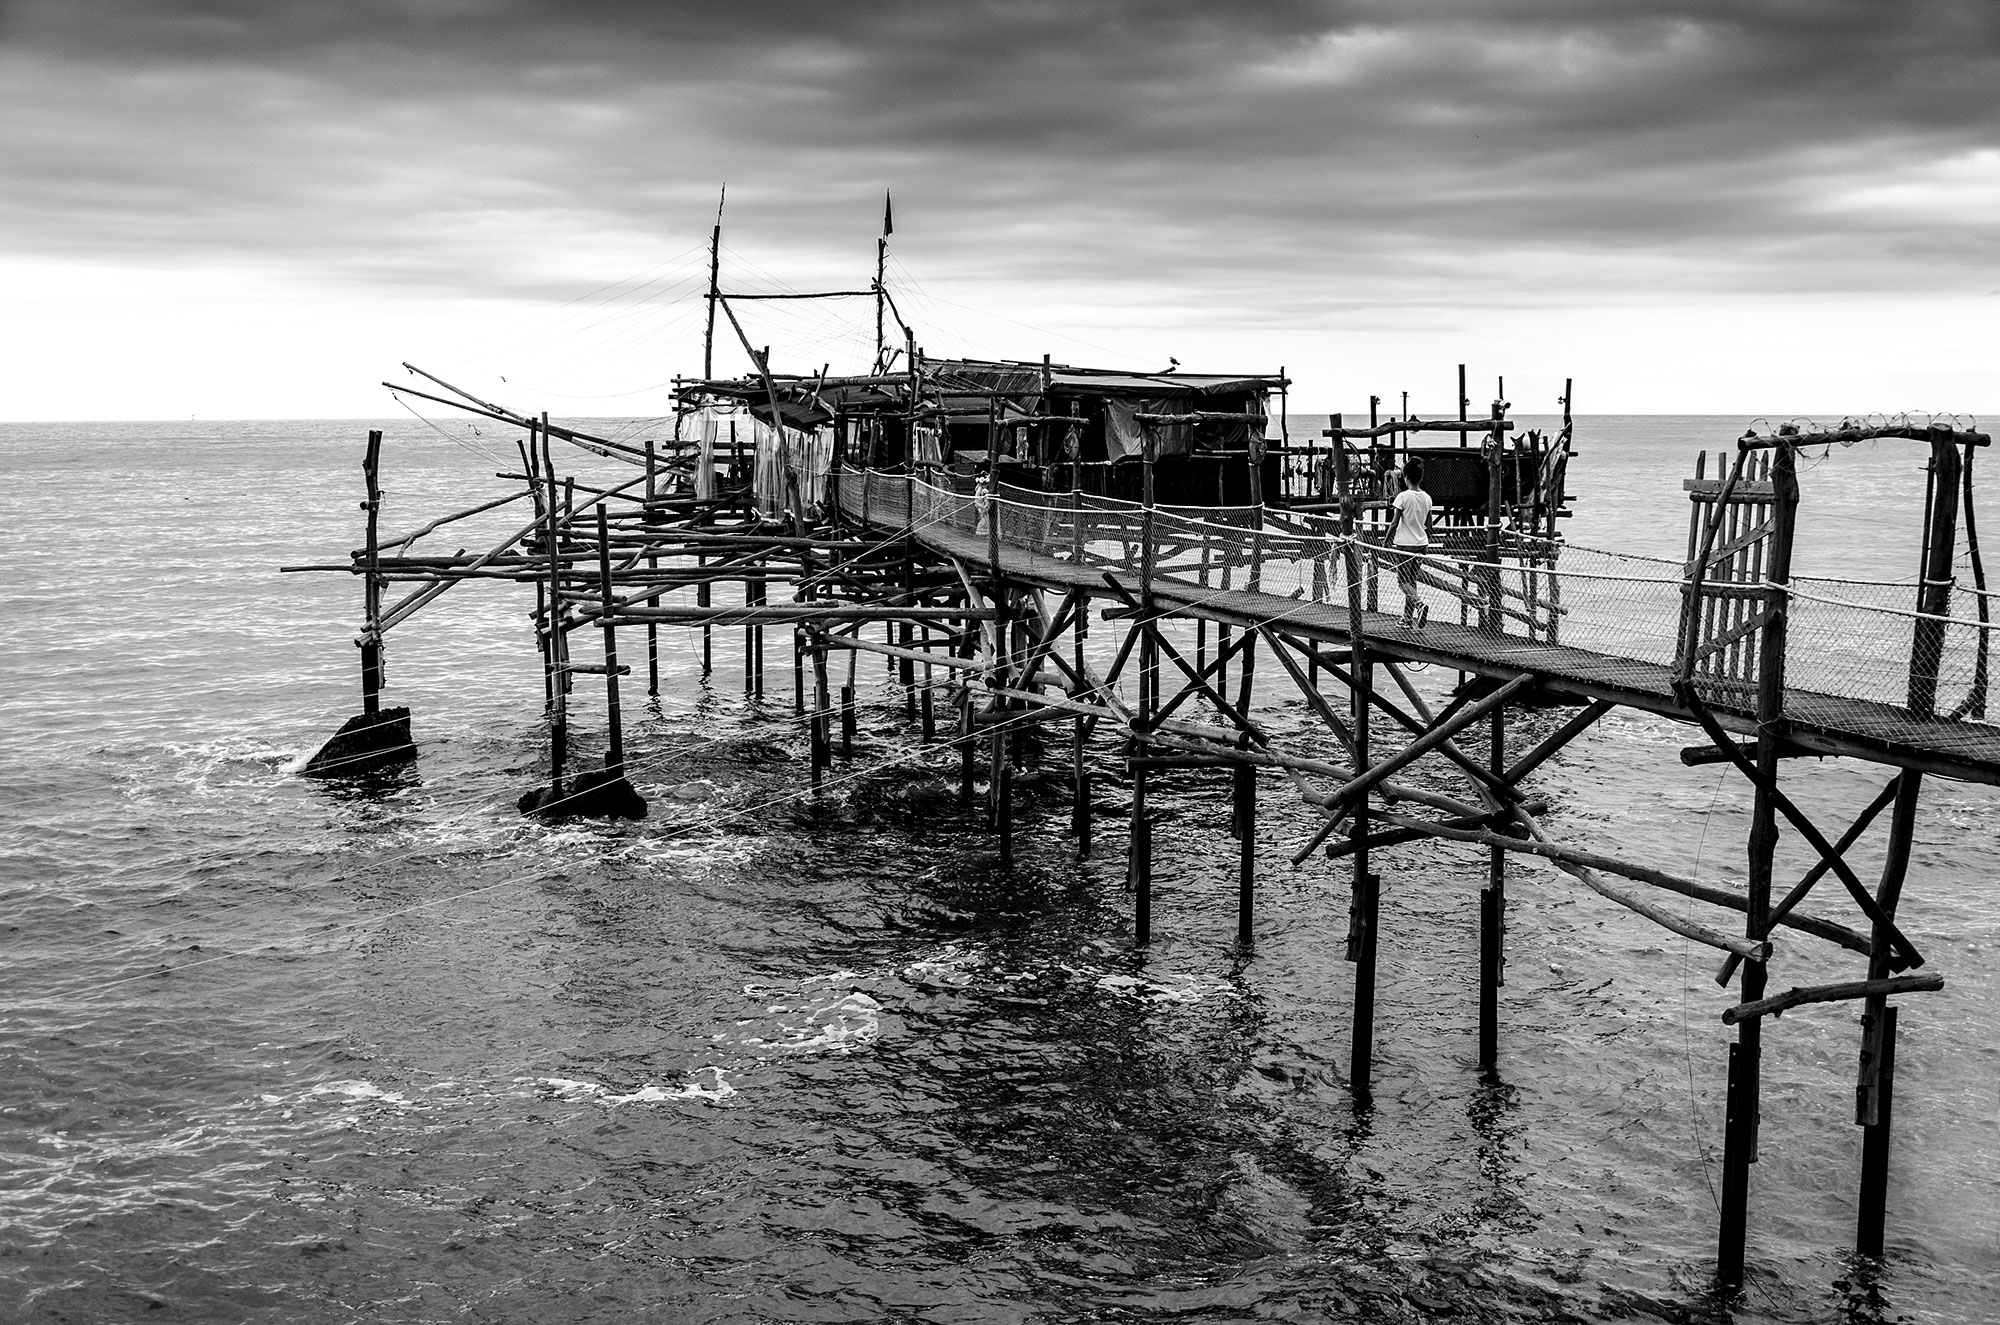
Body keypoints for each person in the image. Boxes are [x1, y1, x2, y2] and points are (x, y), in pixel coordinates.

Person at [1391, 458, 1433, 628]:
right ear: (1420, 478)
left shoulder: (1402, 496)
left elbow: (1394, 523)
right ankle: (1407, 619)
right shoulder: (1427, 498)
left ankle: (1419, 605)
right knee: (1411, 580)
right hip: (1421, 544)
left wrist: (1386, 541)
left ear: (1405, 477)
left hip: (1405, 545)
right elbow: (1429, 524)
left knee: (1402, 582)